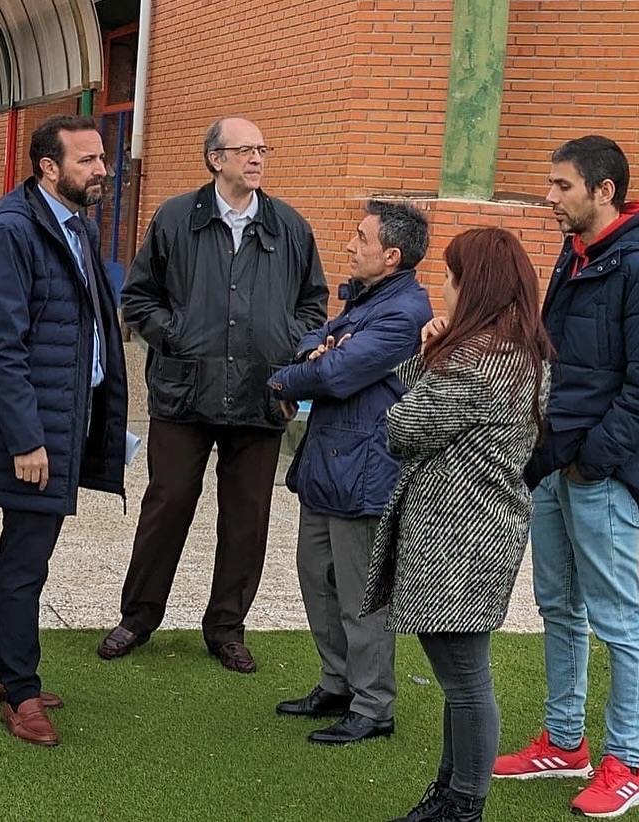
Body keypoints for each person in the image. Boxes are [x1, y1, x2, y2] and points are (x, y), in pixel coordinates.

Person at [493, 136, 639, 819]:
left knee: (617, 620)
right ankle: (564, 742)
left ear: (603, 191)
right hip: (555, 462)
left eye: (561, 186)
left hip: (601, 471)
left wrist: (593, 459)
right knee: (559, 607)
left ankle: (625, 764)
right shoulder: (577, 256)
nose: (549, 198)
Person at [99, 116, 327, 673]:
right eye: (244, 149)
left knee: (247, 519)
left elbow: (313, 305)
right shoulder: (176, 218)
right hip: (184, 392)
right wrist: (176, 337)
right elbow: (139, 297)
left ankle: (226, 627)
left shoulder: (290, 227)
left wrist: (288, 346)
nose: (256, 158)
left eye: (262, 149)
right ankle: (138, 616)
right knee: (168, 502)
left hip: (261, 395)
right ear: (215, 159)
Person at [362, 227, 553, 822]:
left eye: (448, 277)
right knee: (459, 675)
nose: (441, 289)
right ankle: (450, 794)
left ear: (474, 286)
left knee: (466, 680)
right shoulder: (519, 350)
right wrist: (433, 353)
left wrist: (431, 357)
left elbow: (401, 427)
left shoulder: (477, 358)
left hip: (457, 534)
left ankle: (463, 804)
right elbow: (415, 405)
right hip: (482, 528)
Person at [0, 115, 128, 746]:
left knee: (20, 551)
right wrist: (28, 440)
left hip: (61, 421)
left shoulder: (72, 224)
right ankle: (21, 691)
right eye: (86, 160)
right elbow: (0, 348)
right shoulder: (14, 231)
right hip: (32, 432)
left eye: (102, 157)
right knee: (28, 562)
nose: (101, 169)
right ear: (48, 168)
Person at [267, 201, 432, 745]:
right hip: (329, 467)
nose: (349, 245)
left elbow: (337, 374)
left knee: (361, 595)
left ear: (391, 255)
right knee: (317, 577)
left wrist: (286, 381)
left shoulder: (404, 311)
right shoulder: (367, 300)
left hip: (364, 471)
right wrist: (316, 352)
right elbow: (317, 340)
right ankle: (336, 683)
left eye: (361, 238)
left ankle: (373, 705)